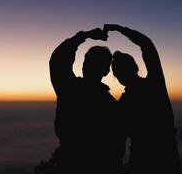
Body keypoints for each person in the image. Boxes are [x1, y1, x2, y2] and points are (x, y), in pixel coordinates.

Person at [47, 28, 125, 173]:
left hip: (71, 164)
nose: (85, 64)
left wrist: (85, 36)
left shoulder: (70, 89)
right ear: (106, 72)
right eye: (87, 60)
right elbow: (117, 148)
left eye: (90, 61)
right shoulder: (112, 105)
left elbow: (58, 60)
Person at [105, 24, 180, 174]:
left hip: (141, 160)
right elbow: (147, 44)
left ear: (117, 76)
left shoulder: (124, 102)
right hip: (167, 156)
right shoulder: (155, 84)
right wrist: (119, 29)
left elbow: (115, 133)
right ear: (135, 67)